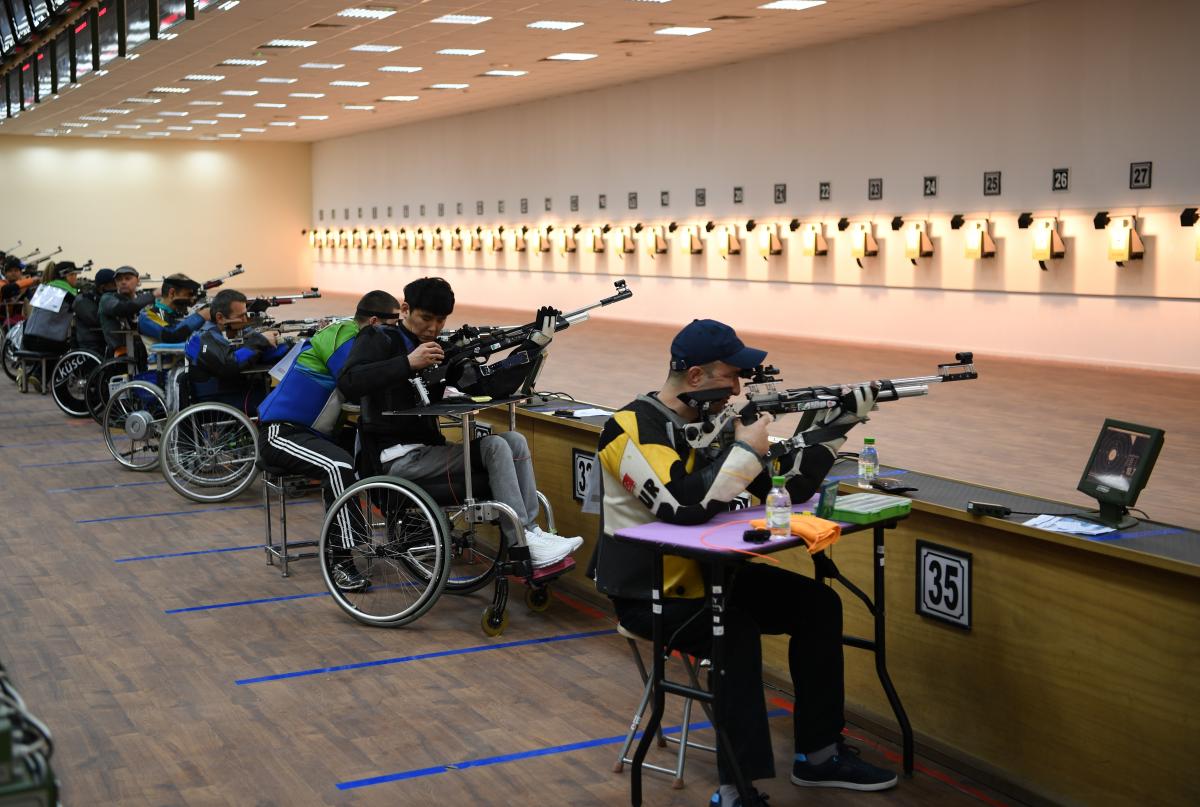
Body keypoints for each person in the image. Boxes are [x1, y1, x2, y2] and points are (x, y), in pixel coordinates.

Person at [589, 319, 896, 807]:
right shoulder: (627, 429)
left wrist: (836, 425)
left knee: (818, 605)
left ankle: (818, 756)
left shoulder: (713, 424)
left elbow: (789, 489)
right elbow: (682, 505)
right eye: (731, 376)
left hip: (714, 575)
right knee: (732, 635)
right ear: (695, 376)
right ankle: (736, 789)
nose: (738, 388)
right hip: (649, 591)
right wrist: (742, 449)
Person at [337, 276, 582, 570]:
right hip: (393, 457)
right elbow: (349, 383)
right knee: (494, 447)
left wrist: (530, 347)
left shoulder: (439, 349)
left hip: (428, 454)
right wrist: (408, 363)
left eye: (441, 320)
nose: (433, 328)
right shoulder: (379, 337)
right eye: (426, 318)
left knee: (514, 441)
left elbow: (486, 387)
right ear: (405, 309)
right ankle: (522, 544)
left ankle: (530, 532)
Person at [256, 290, 393, 592]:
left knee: (376, 455)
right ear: (373, 322)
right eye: (394, 325)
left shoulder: (349, 334)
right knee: (337, 465)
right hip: (281, 432)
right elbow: (356, 383)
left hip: (312, 432)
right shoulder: (345, 336)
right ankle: (341, 560)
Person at [185, 289, 290, 411]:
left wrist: (284, 345)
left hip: (231, 392)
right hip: (221, 400)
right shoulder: (204, 338)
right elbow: (230, 363)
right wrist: (260, 340)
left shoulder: (218, 333)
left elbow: (240, 353)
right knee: (285, 398)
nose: (245, 320)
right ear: (220, 317)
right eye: (241, 316)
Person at [138, 273, 209, 349]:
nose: (192, 300)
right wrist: (201, 316)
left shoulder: (178, 313)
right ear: (172, 293)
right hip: (164, 360)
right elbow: (171, 335)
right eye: (189, 295)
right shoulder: (149, 315)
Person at [99, 266, 155, 358]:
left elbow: (156, 321)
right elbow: (123, 309)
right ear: (116, 283)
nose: (123, 282)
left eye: (128, 278)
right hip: (119, 353)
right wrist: (152, 295)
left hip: (145, 349)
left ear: (138, 281)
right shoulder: (107, 299)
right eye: (119, 279)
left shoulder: (142, 300)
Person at [72, 269, 116, 355]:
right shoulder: (83, 300)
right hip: (90, 344)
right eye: (114, 284)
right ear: (102, 287)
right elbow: (97, 320)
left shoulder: (100, 298)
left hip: (104, 341)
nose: (117, 287)